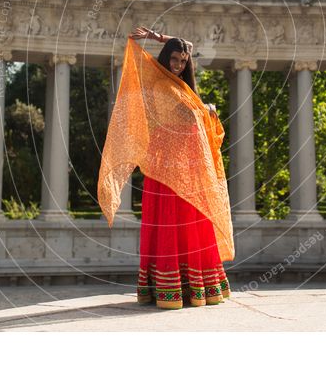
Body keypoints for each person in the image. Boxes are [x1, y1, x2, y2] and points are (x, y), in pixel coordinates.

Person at [97, 26, 233, 310]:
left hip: (187, 163)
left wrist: (162, 38)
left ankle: (197, 288)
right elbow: (185, 117)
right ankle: (169, 290)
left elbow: (190, 45)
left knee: (194, 223)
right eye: (173, 59)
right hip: (166, 166)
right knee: (171, 224)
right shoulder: (161, 86)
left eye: (183, 61)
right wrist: (207, 108)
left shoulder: (181, 85)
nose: (179, 65)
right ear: (165, 59)